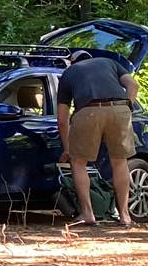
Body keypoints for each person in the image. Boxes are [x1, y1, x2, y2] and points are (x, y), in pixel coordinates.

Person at [55, 49, 141, 227]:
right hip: (119, 109)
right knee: (120, 161)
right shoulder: (109, 63)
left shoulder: (69, 73)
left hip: (89, 110)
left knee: (78, 163)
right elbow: (133, 85)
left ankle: (88, 213)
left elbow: (62, 120)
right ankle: (125, 215)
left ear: (71, 62)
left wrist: (67, 149)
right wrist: (127, 107)